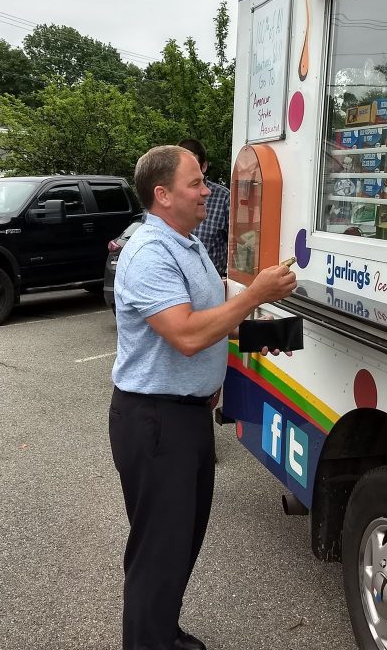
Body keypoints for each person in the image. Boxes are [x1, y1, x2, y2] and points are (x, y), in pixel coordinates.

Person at [109, 145, 296, 650]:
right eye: (195, 183)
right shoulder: (149, 252)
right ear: (163, 195)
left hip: (187, 419)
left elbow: (211, 325)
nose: (208, 192)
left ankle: (161, 633)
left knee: (181, 543)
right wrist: (255, 294)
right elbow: (186, 335)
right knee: (159, 550)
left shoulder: (186, 246)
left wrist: (253, 334)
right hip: (154, 421)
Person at [177, 138, 230, 276]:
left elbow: (240, 244)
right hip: (176, 280)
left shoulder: (224, 197)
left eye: (192, 164)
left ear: (204, 166)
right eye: (180, 165)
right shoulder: (169, 195)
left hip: (213, 283)